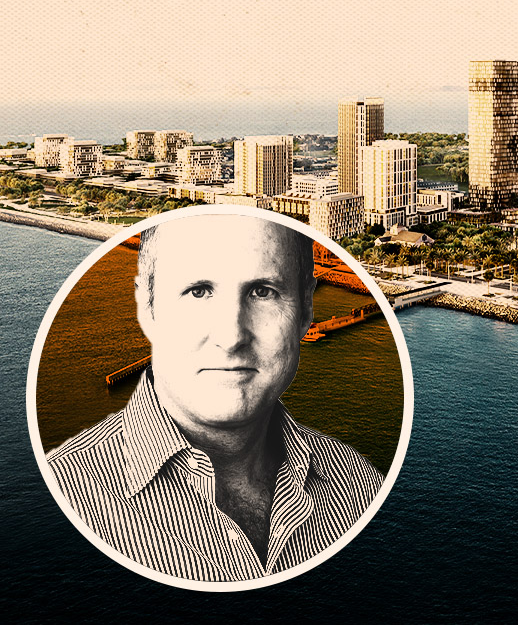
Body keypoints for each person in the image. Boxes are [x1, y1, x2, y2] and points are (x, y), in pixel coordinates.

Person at [47, 213, 384, 582]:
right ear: (147, 307)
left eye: (263, 292)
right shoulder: (56, 497)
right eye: (198, 291)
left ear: (306, 309)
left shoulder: (362, 487)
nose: (231, 336)